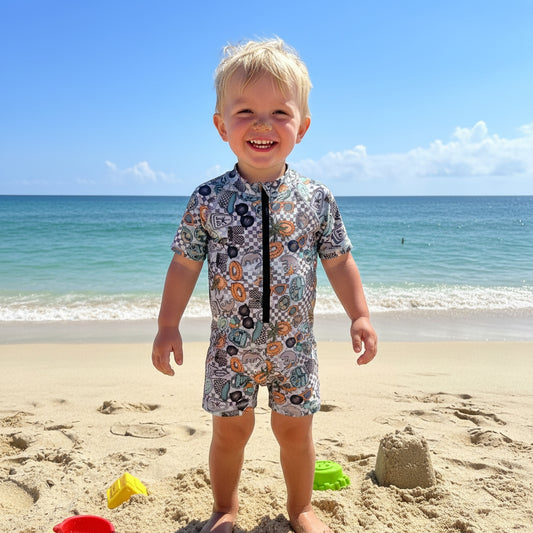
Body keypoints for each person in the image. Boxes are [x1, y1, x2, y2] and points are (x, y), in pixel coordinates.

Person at [152, 38, 377, 533]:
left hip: (295, 347)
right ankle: (225, 508)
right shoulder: (208, 199)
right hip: (229, 347)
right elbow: (184, 265)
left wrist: (359, 314)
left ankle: (301, 509)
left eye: (279, 112)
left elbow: (339, 260)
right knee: (230, 434)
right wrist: (168, 325)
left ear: (303, 126)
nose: (261, 124)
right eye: (245, 112)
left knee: (295, 433)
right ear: (221, 126)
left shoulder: (316, 198)